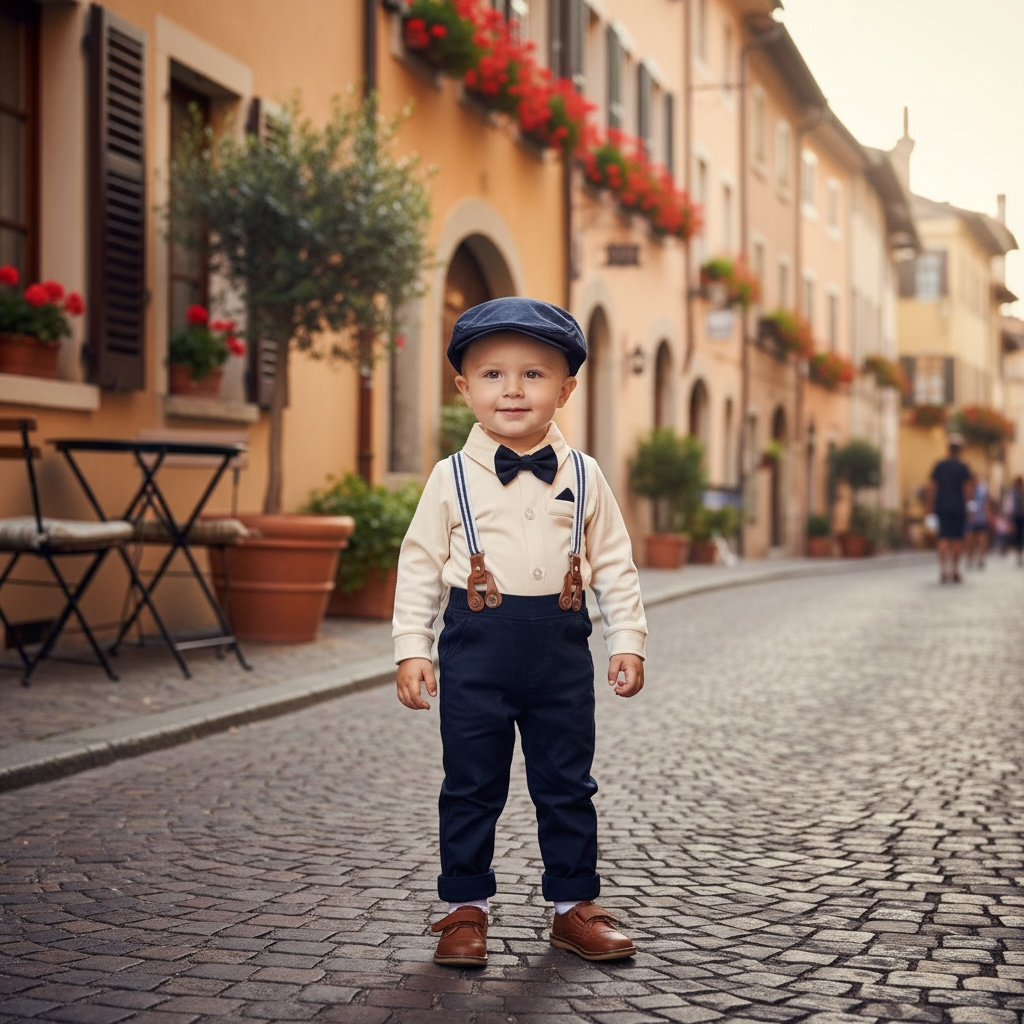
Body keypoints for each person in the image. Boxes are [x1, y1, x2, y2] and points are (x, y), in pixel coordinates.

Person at [393, 296, 647, 967]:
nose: (512, 389)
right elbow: (418, 565)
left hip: (560, 649)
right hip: (476, 647)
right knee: (471, 783)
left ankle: (573, 907)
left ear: (565, 389)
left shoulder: (587, 476)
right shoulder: (449, 479)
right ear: (462, 387)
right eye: (492, 374)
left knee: (567, 782)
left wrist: (627, 640)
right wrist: (411, 649)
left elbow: (616, 563)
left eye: (533, 375)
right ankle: (464, 909)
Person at [926, 433, 974, 583]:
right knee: (956, 539)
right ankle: (954, 570)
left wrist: (929, 506)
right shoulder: (963, 467)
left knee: (943, 538)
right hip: (958, 507)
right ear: (960, 450)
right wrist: (970, 507)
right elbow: (968, 490)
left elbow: (932, 487)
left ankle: (943, 570)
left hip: (942, 506)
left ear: (948, 449)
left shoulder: (939, 466)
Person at [965, 474, 992, 568]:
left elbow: (986, 504)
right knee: (971, 539)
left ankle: (980, 558)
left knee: (981, 538)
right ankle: (971, 558)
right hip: (971, 518)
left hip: (980, 517)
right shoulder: (968, 489)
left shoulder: (982, 489)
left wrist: (988, 516)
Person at [1009, 475, 1024, 567]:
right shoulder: (1016, 493)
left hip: (1017, 517)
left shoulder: (1014, 493)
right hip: (1019, 517)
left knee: (1019, 537)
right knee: (1019, 537)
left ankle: (1019, 556)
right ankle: (1019, 556)